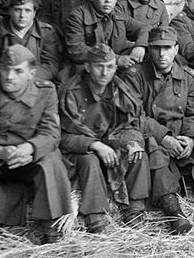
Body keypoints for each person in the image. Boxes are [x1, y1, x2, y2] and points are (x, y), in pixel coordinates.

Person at [0, 45, 72, 243]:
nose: (9, 76)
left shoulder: (45, 91)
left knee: (52, 161)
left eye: (18, 71)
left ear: (31, 74)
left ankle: (53, 230)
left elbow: (51, 133)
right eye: (5, 69)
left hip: (29, 155)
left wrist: (29, 148)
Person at [122, 26, 194, 234]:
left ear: (176, 49)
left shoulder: (188, 76)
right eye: (156, 48)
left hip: (180, 136)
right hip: (154, 135)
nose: (162, 54)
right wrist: (165, 138)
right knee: (156, 151)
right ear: (149, 49)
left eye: (167, 48)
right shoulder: (135, 75)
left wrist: (191, 139)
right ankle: (174, 211)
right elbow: (134, 115)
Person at [58, 44, 150, 234]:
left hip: (110, 143)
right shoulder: (70, 92)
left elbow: (131, 123)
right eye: (99, 66)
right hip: (79, 151)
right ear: (88, 67)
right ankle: (95, 216)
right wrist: (94, 145)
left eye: (110, 66)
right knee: (90, 160)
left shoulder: (120, 89)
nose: (104, 72)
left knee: (137, 153)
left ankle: (134, 208)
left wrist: (133, 143)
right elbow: (60, 136)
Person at [63, 0, 149, 78]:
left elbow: (144, 28)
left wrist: (140, 46)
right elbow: (77, 50)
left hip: (114, 69)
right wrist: (116, 59)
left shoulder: (118, 15)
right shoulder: (77, 17)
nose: (108, 0)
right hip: (91, 71)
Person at [0, 0, 62, 81]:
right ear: (10, 11)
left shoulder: (46, 32)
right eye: (18, 10)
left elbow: (50, 66)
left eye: (27, 10)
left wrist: (24, 78)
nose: (22, 15)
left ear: (34, 13)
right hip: (7, 81)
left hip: (35, 82)